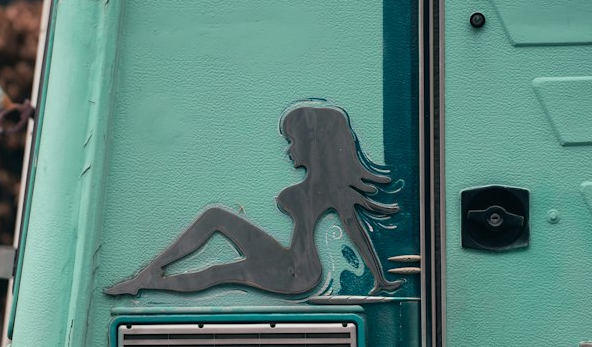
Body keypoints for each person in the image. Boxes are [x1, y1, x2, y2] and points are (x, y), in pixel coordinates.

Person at [106, 102, 400, 297]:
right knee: (215, 218)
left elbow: (354, 230)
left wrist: (380, 279)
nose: (288, 151)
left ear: (315, 146)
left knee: (217, 271)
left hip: (299, 274)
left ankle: (145, 282)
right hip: (286, 261)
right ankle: (148, 276)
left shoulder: (331, 189)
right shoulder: (312, 188)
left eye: (292, 142)